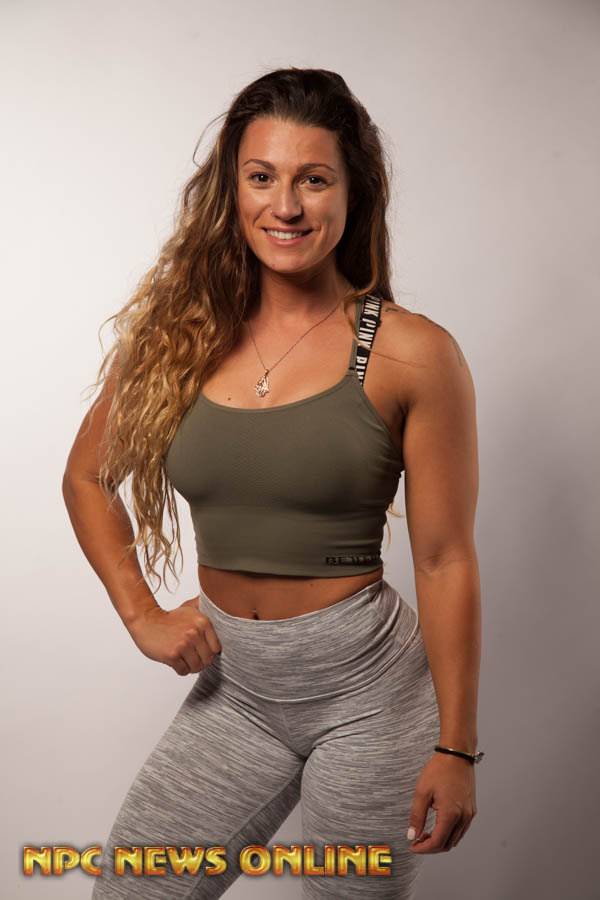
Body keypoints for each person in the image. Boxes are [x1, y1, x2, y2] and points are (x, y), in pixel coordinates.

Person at [62, 67, 482, 899]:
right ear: (232, 190)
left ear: (353, 193)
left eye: (313, 180)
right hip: (238, 691)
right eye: (262, 177)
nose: (285, 206)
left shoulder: (411, 354)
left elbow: (444, 560)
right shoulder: (179, 337)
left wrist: (457, 746)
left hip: (371, 697)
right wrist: (141, 613)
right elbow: (88, 476)